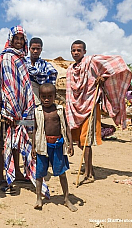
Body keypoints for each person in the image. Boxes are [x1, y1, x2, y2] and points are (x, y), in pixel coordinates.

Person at [66, 40, 131, 185]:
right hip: (76, 108)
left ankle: (89, 175)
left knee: (86, 141)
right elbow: (70, 92)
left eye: (78, 50)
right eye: (73, 50)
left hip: (90, 104)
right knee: (80, 143)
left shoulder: (91, 62)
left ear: (84, 52)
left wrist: (104, 78)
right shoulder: (70, 69)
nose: (76, 53)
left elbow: (116, 63)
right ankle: (90, 169)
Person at [0, 26, 49, 197]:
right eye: (16, 38)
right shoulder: (7, 57)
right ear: (11, 39)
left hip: (24, 108)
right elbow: (7, 83)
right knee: (8, 142)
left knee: (22, 140)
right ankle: (7, 177)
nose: (19, 41)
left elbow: (24, 83)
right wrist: (11, 109)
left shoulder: (21, 58)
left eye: (22, 39)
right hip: (11, 109)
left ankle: (18, 172)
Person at [32, 83, 77, 211]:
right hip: (42, 145)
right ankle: (38, 199)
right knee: (39, 174)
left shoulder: (59, 110)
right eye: (43, 96)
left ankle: (66, 199)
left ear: (55, 96)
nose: (46, 99)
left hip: (57, 145)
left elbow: (66, 127)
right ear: (39, 97)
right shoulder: (37, 111)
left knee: (62, 173)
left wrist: (70, 143)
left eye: (49, 96)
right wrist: (33, 147)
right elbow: (35, 129)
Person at [26, 37, 58, 105]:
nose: (35, 51)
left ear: (41, 50)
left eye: (38, 49)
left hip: (40, 102)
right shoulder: (23, 64)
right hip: (24, 99)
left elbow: (51, 86)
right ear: (29, 49)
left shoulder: (46, 66)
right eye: (33, 49)